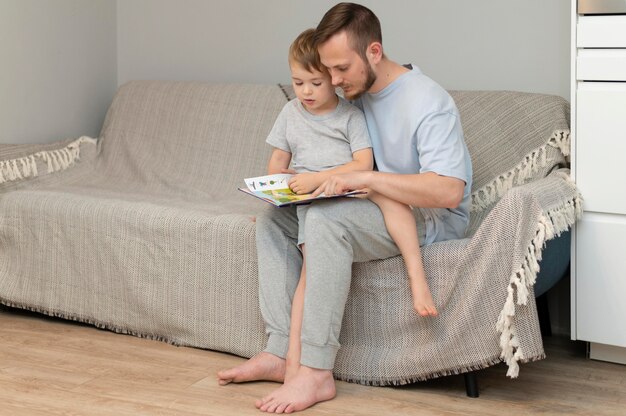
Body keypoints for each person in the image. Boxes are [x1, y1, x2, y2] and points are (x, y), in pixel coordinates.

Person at [219, 3, 472, 413]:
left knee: (324, 221)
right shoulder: (351, 95)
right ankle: (282, 350)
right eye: (327, 72)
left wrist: (365, 179)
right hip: (364, 203)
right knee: (274, 222)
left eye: (340, 69)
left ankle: (316, 372)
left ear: (374, 52)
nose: (334, 81)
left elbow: (448, 193)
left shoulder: (428, 100)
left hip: (426, 218)